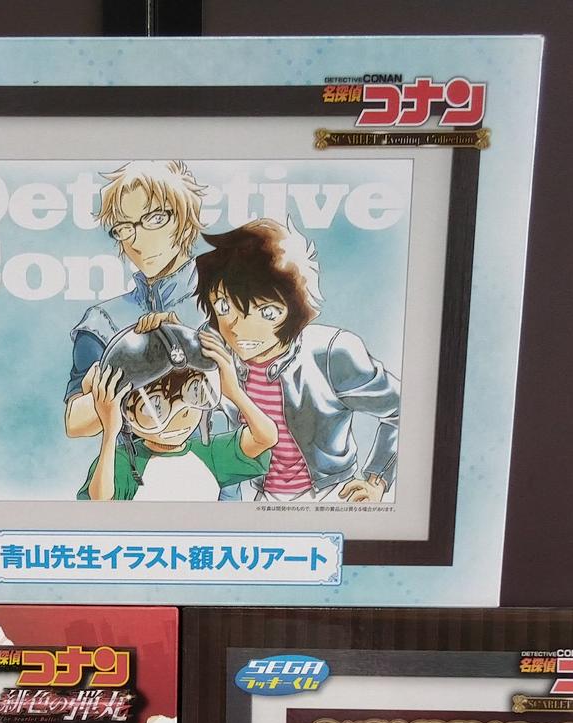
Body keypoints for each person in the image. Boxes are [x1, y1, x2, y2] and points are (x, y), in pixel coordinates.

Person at [194, 218, 401, 503]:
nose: (238, 328)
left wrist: (377, 480)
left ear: (296, 310)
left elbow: (402, 409)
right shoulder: (216, 347)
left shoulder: (331, 354)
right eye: (223, 306)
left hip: (329, 495)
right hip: (257, 496)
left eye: (266, 312)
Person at [64, 160, 208, 440]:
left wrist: (191, 341)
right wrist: (129, 367)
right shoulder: (103, 321)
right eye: (124, 228)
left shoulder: (225, 302)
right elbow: (76, 423)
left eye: (154, 219)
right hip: (134, 465)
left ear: (184, 218)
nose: (137, 241)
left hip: (215, 461)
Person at [77, 320, 275, 501]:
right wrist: (110, 432)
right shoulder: (124, 462)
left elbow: (265, 438)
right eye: (155, 407)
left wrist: (235, 392)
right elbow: (100, 503)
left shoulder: (209, 453)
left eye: (196, 392)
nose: (181, 415)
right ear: (124, 411)